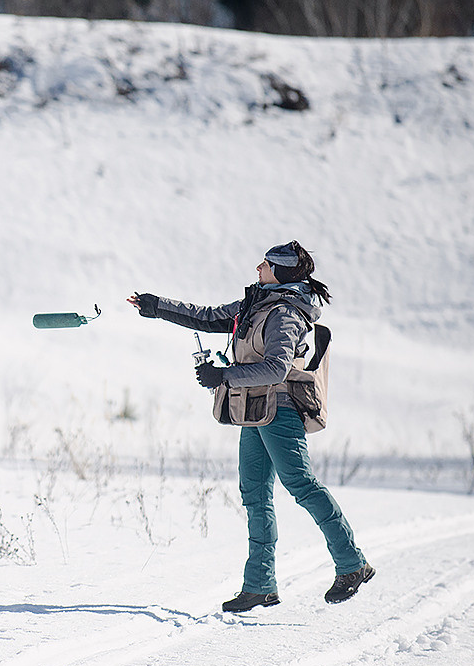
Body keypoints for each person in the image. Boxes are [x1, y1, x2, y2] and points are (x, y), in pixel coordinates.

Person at [127, 242, 373, 613]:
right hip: (254, 409)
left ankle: (352, 563)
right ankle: (260, 585)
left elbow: (276, 368)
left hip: (281, 409)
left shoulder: (286, 312)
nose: (259, 267)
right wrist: (157, 306)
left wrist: (224, 375)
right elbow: (208, 317)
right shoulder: (256, 303)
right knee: (254, 494)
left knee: (301, 485)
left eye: (267, 264)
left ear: (282, 272)